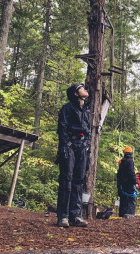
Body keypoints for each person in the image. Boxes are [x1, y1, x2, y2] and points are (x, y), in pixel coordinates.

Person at [56, 83, 91, 228]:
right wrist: (64, 146)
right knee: (67, 178)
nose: (85, 89)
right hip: (69, 145)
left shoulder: (87, 110)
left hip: (82, 147)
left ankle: (75, 215)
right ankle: (63, 216)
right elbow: (62, 128)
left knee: (79, 180)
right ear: (76, 93)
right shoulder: (67, 108)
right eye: (81, 88)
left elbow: (88, 130)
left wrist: (87, 146)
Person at [117, 146, 137, 217]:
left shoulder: (121, 162)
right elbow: (131, 172)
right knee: (130, 201)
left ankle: (122, 215)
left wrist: (119, 185)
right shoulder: (130, 161)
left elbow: (119, 174)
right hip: (129, 184)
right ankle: (129, 215)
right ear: (131, 153)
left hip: (123, 184)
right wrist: (135, 182)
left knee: (123, 200)